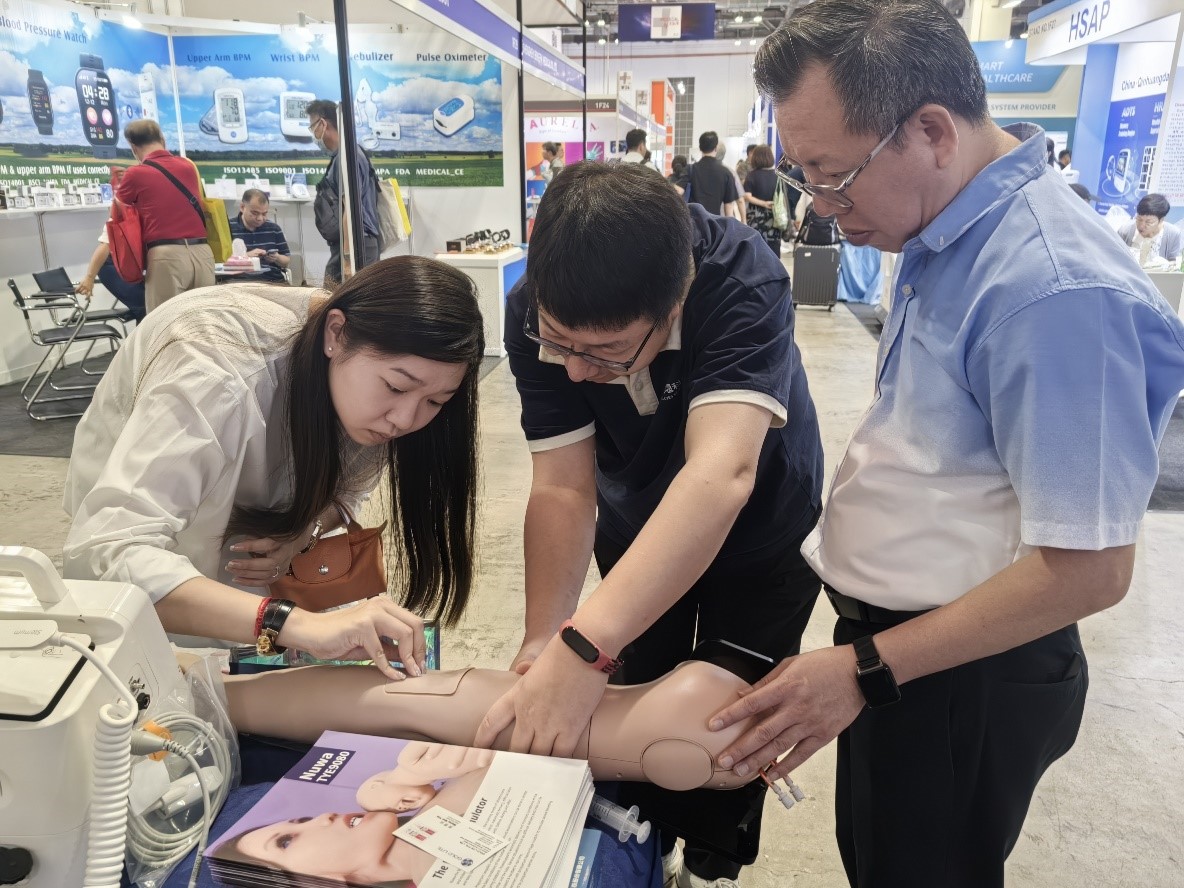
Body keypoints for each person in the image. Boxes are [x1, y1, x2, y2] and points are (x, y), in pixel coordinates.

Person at [707, 3, 1184, 888]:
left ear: (930, 131)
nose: (822, 206)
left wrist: (867, 670)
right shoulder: (949, 225)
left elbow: (1088, 569)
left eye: (833, 174)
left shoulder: (1053, 290)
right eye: (805, 176)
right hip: (903, 656)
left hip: (958, 670)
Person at [478, 162, 824, 888]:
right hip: (638, 526)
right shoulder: (534, 309)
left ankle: (710, 865)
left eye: (604, 352)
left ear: (675, 303)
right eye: (560, 343)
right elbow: (563, 487)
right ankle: (643, 849)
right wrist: (547, 641)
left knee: (725, 718)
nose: (575, 370)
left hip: (762, 532)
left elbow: (721, 474)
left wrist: (583, 650)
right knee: (634, 700)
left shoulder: (740, 281)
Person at [63, 257, 485, 673]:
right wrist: (295, 624)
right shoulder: (215, 370)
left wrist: (304, 531)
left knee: (243, 655)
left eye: (435, 402)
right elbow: (109, 554)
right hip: (148, 525)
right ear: (336, 334)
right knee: (169, 661)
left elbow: (349, 489)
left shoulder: (362, 388)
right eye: (395, 387)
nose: (406, 420)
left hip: (239, 545)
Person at [115, 119, 215, 312]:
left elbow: (117, 214)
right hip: (202, 253)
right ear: (162, 139)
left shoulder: (135, 173)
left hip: (166, 256)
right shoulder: (188, 166)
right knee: (203, 321)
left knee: (164, 322)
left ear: (133, 147)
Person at [307, 99, 381, 286]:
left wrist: (348, 260)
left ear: (322, 124)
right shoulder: (346, 155)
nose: (313, 134)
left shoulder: (347, 158)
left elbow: (350, 209)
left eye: (312, 127)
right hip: (353, 244)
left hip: (357, 244)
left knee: (337, 297)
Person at [356, 742, 494, 813]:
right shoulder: (450, 777)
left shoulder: (407, 761)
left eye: (385, 806)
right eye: (396, 812)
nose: (400, 809)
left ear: (375, 785)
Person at [75, 187, 147, 322]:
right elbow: (105, 246)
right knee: (144, 306)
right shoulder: (123, 215)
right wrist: (89, 277)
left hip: (133, 267)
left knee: (150, 305)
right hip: (111, 266)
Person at [228, 189, 292, 284]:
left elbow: (286, 261)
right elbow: (220, 262)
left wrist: (277, 257)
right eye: (255, 213)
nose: (260, 218)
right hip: (239, 281)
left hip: (272, 281)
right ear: (242, 207)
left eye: (264, 214)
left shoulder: (274, 229)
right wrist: (246, 256)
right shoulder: (228, 228)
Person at [687, 131, 742, 220]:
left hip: (693, 222)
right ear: (716, 148)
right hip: (714, 223)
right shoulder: (726, 173)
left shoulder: (690, 170)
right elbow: (729, 210)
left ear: (700, 148)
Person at [1117, 193, 1183, 265]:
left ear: (1161, 220)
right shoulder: (1125, 230)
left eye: (1148, 222)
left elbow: (1176, 263)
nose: (1142, 226)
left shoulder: (1173, 234)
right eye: (1139, 219)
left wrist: (1165, 264)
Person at [742, 145, 782, 255]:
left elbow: (747, 196)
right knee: (774, 248)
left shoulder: (751, 176)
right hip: (774, 217)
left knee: (756, 248)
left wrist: (763, 204)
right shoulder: (777, 176)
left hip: (755, 218)